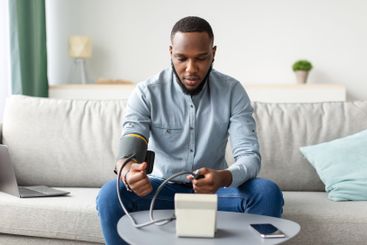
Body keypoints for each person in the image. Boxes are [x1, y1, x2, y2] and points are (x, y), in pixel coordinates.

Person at [96, 16, 284, 245]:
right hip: (160, 190)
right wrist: (128, 173)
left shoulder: (233, 91)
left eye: (201, 59)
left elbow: (249, 158)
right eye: (181, 58)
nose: (191, 69)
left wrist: (223, 177)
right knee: (109, 195)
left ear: (213, 53)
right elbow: (128, 151)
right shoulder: (146, 92)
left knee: (267, 192)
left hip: (214, 191)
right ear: (170, 52)